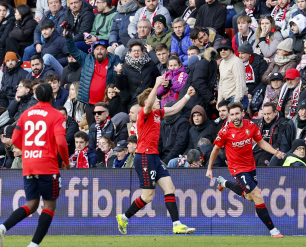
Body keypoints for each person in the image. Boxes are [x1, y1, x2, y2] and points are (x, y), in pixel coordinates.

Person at [0, 83, 69, 247]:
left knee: (31, 204)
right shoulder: (56, 115)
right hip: (47, 164)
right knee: (49, 206)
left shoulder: (26, 114)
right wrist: (65, 161)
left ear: (36, 96)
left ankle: (2, 227)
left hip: (29, 164)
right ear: (52, 96)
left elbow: (16, 139)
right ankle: (33, 245)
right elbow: (61, 142)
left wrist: (29, 150)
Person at [116, 76, 196, 235]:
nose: (159, 100)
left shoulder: (157, 114)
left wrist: (187, 96)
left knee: (170, 188)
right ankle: (124, 217)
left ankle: (176, 225)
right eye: (156, 98)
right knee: (148, 196)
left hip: (153, 157)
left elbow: (174, 109)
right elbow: (148, 104)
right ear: (147, 102)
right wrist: (157, 84)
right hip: (144, 156)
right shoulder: (143, 114)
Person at [206, 102, 285, 238]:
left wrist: (275, 152)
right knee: (257, 195)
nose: (235, 117)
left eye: (237, 113)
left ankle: (224, 183)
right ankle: (273, 231)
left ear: (243, 113)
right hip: (236, 168)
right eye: (232, 115)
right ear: (229, 116)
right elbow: (215, 149)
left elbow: (260, 142)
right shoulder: (225, 131)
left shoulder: (251, 126)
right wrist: (209, 168)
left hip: (250, 166)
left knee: (250, 197)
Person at [64, 29, 120, 125]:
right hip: (90, 104)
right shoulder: (87, 59)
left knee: (105, 131)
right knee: (92, 130)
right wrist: (68, 37)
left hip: (106, 104)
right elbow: (73, 50)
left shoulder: (115, 61)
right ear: (93, 51)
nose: (99, 51)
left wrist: (119, 72)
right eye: (97, 49)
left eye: (102, 49)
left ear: (106, 51)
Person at [217, 39, 249, 110]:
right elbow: (221, 83)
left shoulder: (236, 62)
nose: (223, 51)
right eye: (220, 49)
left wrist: (236, 103)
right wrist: (219, 101)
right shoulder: (222, 63)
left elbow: (240, 84)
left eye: (225, 49)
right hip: (227, 100)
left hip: (237, 99)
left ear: (231, 50)